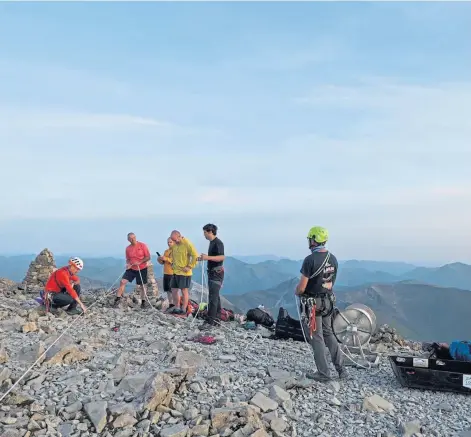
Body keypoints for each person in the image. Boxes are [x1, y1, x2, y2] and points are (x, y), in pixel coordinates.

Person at [295, 226, 348, 382]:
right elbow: (330, 283)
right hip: (328, 302)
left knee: (316, 337)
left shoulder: (310, 260)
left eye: (310, 239)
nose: (309, 242)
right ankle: (341, 370)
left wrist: (297, 291)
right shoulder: (333, 259)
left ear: (314, 240)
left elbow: (302, 287)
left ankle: (323, 373)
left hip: (314, 304)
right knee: (328, 333)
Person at [198, 224, 225, 330]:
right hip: (213, 272)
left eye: (204, 232)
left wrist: (207, 257)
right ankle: (217, 318)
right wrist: (205, 258)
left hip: (216, 273)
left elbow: (222, 257)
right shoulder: (212, 243)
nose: (204, 234)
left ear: (210, 232)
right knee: (215, 296)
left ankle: (210, 321)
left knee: (212, 297)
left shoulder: (218, 243)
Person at [113, 233, 151, 309]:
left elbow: (148, 257)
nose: (133, 239)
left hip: (142, 268)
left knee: (142, 286)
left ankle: (143, 302)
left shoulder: (142, 245)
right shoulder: (128, 248)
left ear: (135, 237)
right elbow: (128, 259)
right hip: (131, 268)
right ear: (128, 240)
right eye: (130, 238)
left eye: (133, 237)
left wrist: (140, 262)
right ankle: (117, 299)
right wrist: (128, 264)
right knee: (123, 281)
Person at [168, 230, 198, 315]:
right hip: (175, 271)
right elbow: (172, 255)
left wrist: (189, 266)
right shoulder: (174, 245)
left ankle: (184, 309)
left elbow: (195, 255)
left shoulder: (187, 243)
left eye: (175, 240)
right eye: (172, 240)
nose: (174, 242)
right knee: (173, 289)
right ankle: (177, 307)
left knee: (184, 290)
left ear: (179, 236)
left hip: (184, 273)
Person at [157, 237, 177, 310]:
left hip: (173, 273)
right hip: (166, 272)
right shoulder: (166, 251)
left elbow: (175, 261)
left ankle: (176, 305)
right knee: (168, 290)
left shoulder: (176, 251)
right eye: (168, 242)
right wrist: (160, 259)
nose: (169, 243)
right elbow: (163, 263)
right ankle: (171, 304)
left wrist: (166, 259)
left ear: (174, 242)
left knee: (173, 290)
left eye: (170, 242)